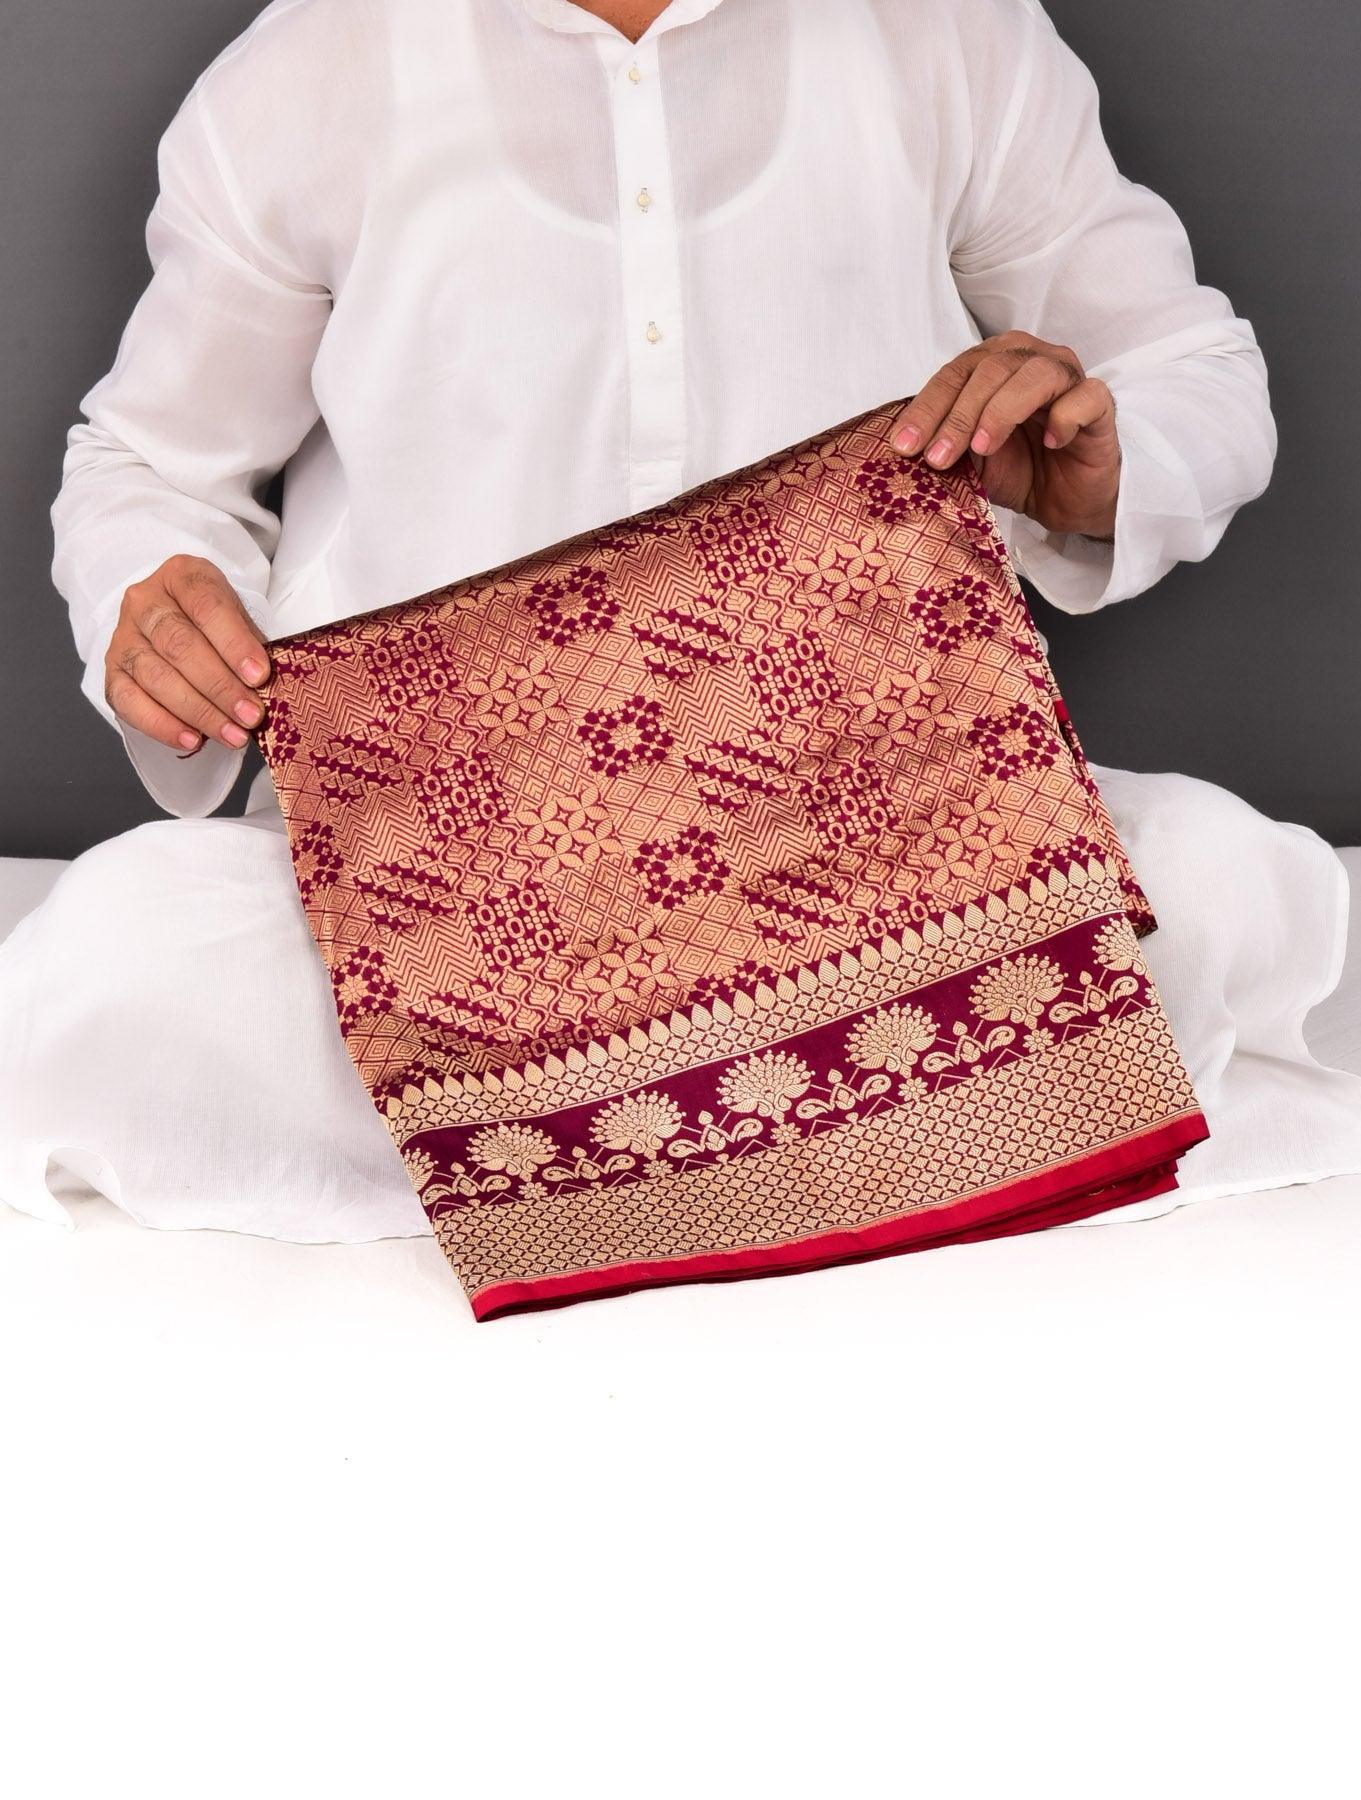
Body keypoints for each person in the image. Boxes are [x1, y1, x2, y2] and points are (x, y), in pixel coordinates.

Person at [2, 0, 1276, 1242]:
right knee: (116, 949)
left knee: (1220, 872)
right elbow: (147, 463)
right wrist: (152, 594)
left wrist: (1100, 474)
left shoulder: (949, 30)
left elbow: (1193, 371)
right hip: (456, 895)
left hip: (882, 839)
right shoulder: (311, 62)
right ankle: (881, 1124)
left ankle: (593, 1153)